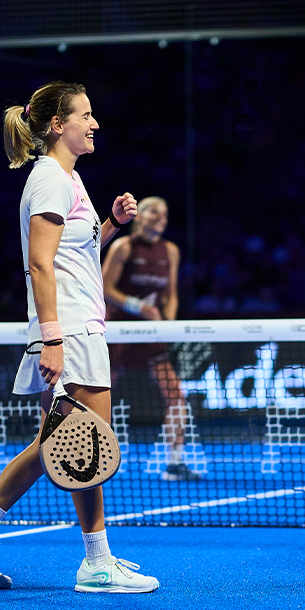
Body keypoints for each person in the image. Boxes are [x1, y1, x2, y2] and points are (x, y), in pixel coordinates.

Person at [0, 81, 159, 593]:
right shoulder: (50, 180)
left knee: (63, 444)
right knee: (84, 444)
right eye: (86, 114)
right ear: (58, 125)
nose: (95, 123)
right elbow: (40, 263)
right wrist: (55, 339)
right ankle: (94, 563)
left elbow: (71, 252)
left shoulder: (69, 180)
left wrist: (112, 224)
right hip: (72, 329)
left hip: (78, 325)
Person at [101, 196, 198, 481]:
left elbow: (171, 295)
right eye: (155, 212)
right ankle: (87, 456)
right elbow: (104, 287)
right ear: (139, 217)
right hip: (118, 332)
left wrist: (168, 324)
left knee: (176, 396)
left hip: (152, 334)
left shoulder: (170, 251)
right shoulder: (122, 246)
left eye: (165, 214)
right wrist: (137, 306)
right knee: (98, 395)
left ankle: (175, 463)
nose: (161, 218)